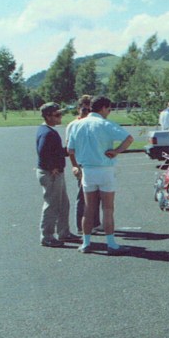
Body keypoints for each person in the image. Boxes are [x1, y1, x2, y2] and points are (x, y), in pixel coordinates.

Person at [67, 96, 134, 254]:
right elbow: (129, 138)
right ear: (103, 108)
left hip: (87, 171)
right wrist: (116, 151)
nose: (109, 112)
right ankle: (111, 243)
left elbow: (70, 150)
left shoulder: (77, 125)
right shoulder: (105, 124)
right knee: (108, 208)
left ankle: (86, 243)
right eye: (109, 109)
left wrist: (76, 165)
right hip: (105, 169)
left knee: (88, 208)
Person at [36, 102, 79, 247]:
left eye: (60, 114)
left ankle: (64, 232)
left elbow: (54, 151)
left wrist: (69, 150)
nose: (60, 117)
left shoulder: (48, 130)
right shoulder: (47, 132)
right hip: (51, 173)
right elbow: (42, 152)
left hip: (55, 172)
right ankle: (47, 236)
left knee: (63, 203)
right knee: (52, 204)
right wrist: (52, 167)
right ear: (48, 116)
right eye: (57, 115)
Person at [64, 95, 101, 235]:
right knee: (83, 195)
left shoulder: (93, 123)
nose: (86, 112)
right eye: (84, 109)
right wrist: (75, 166)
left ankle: (95, 223)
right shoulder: (74, 125)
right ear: (79, 109)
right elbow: (69, 148)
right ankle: (81, 225)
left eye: (89, 109)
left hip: (94, 162)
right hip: (81, 163)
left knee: (97, 194)